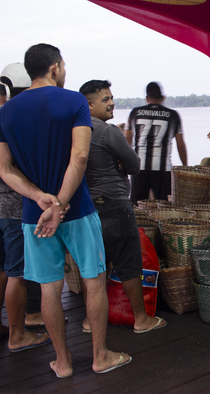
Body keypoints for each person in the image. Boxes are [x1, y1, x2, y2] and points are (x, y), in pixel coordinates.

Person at [0, 43, 131, 378]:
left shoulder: (6, 112)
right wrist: (60, 202)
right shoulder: (73, 100)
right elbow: (80, 158)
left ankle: (63, 363)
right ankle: (100, 356)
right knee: (94, 281)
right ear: (55, 68)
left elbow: (4, 169)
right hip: (78, 210)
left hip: (34, 216)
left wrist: (42, 199)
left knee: (49, 289)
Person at [79, 80, 167, 334]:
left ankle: (88, 321)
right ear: (89, 104)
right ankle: (141, 319)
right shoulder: (107, 132)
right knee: (128, 264)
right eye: (105, 99)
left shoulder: (74, 132)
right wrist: (119, 156)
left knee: (93, 268)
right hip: (114, 207)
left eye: (111, 98)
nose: (112, 103)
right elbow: (135, 166)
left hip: (86, 208)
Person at [0, 62, 51, 351]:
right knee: (19, 272)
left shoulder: (4, 118)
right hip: (14, 208)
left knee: (4, 270)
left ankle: (10, 324)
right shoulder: (15, 120)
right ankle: (19, 331)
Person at [126, 82, 188, 204]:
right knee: (164, 207)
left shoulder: (135, 113)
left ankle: (139, 224)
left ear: (147, 98)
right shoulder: (172, 115)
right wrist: (185, 166)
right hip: (163, 168)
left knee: (137, 207)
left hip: (139, 166)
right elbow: (180, 145)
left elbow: (126, 141)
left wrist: (126, 163)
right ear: (162, 97)